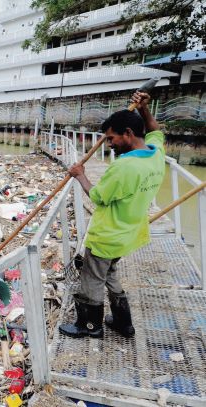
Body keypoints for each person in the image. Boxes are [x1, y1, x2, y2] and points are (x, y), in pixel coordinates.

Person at [59, 90, 165, 339]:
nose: (109, 144)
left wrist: (80, 174)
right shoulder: (157, 154)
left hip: (107, 236)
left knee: (92, 279)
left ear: (128, 133)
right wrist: (144, 108)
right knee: (110, 274)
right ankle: (122, 322)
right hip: (129, 235)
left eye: (111, 139)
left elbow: (97, 197)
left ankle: (90, 326)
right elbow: (155, 131)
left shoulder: (124, 167)